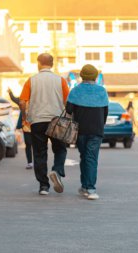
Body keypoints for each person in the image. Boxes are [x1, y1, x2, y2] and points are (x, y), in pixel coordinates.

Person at [20, 53, 69, 195]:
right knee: (60, 149)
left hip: (37, 121)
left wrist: (25, 117)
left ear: (39, 63)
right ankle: (57, 170)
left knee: (40, 153)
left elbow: (22, 101)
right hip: (57, 120)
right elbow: (67, 101)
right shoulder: (61, 80)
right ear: (52, 64)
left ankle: (43, 186)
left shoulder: (31, 80)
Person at [66, 64, 109, 200]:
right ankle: (89, 188)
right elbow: (105, 112)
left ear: (82, 75)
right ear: (95, 76)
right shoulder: (102, 91)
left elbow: (68, 110)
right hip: (96, 130)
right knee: (91, 157)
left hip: (80, 131)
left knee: (84, 156)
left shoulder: (75, 91)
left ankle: (86, 186)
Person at [8, 88, 33, 169]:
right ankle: (30, 162)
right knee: (28, 144)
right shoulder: (23, 100)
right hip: (26, 126)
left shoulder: (37, 100)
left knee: (37, 145)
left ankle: (37, 161)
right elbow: (14, 99)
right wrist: (10, 92)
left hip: (36, 125)